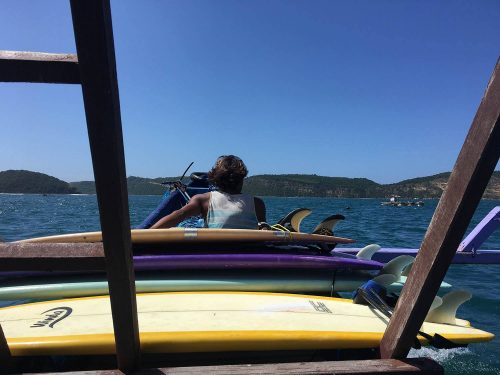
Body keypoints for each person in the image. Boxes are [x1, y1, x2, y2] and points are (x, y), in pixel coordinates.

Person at [151, 155, 266, 229]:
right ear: (242, 179)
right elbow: (262, 229)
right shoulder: (257, 204)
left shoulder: (203, 200)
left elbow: (178, 215)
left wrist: (148, 233)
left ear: (214, 179)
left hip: (214, 257)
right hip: (246, 258)